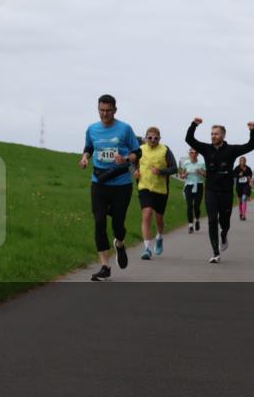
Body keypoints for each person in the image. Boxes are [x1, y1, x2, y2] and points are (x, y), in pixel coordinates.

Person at [80, 94, 141, 281]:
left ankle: (120, 243)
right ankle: (105, 266)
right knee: (99, 221)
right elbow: (89, 147)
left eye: (108, 110)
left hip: (121, 183)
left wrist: (127, 159)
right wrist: (84, 157)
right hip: (99, 182)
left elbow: (138, 151)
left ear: (115, 110)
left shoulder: (125, 128)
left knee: (118, 224)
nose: (104, 114)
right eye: (101, 110)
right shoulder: (92, 129)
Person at [185, 118, 254, 263]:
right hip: (211, 190)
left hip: (226, 192)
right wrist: (194, 125)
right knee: (212, 220)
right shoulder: (206, 149)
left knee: (224, 222)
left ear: (223, 136)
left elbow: (251, 145)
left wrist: (252, 130)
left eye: (216, 134)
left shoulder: (231, 150)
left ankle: (224, 234)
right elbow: (189, 139)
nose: (213, 136)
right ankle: (215, 253)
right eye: (212, 134)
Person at [134, 127, 178, 259]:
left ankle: (159, 236)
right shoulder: (140, 150)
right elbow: (131, 163)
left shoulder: (165, 150)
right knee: (147, 215)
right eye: (150, 137)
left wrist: (161, 172)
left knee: (159, 219)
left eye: (156, 138)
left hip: (160, 189)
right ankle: (147, 248)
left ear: (159, 138)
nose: (153, 140)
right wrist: (134, 171)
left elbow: (174, 168)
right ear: (145, 138)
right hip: (144, 187)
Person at [180, 149, 206, 233]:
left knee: (197, 206)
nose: (193, 154)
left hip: (199, 185)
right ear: (189, 154)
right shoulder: (186, 163)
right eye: (192, 152)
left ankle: (197, 220)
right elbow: (182, 175)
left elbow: (206, 175)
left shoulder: (201, 164)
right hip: (189, 185)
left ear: (198, 154)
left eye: (195, 152)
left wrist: (201, 172)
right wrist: (185, 175)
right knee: (189, 205)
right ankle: (190, 225)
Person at [233, 157, 253, 221]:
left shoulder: (248, 168)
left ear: (245, 161)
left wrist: (250, 181)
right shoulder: (237, 168)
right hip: (239, 186)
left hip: (246, 185)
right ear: (239, 161)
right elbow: (233, 175)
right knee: (240, 201)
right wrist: (239, 175)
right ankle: (241, 213)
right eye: (241, 161)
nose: (242, 162)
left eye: (243, 161)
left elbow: (250, 177)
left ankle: (244, 215)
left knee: (244, 198)